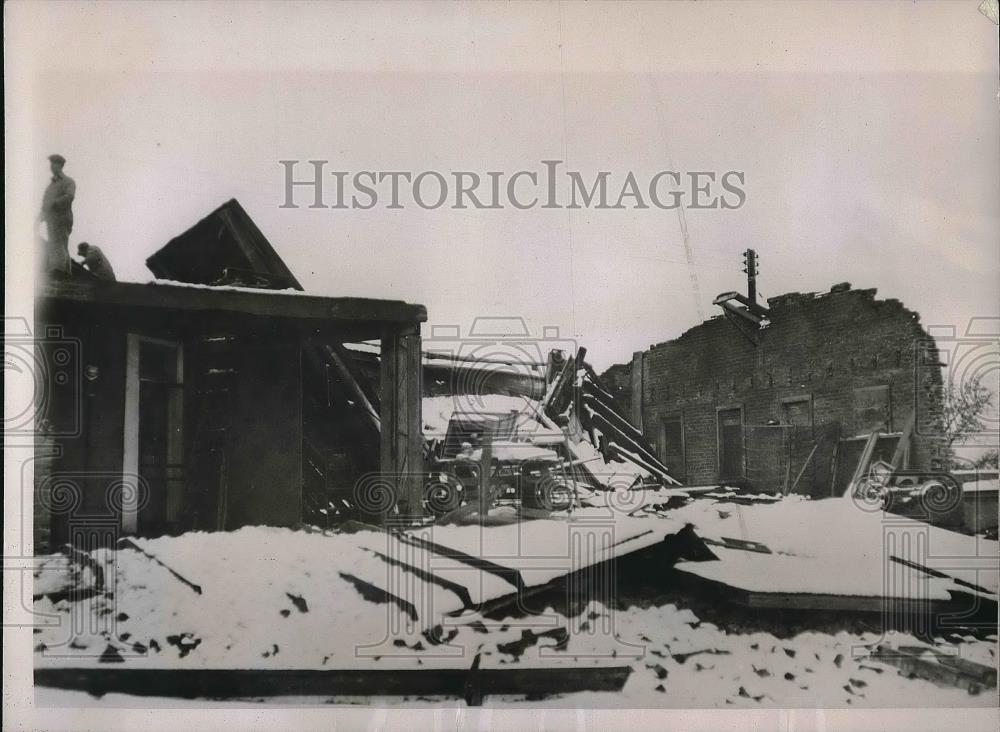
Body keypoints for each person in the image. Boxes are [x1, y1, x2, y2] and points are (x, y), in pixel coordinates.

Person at [37, 154, 76, 276]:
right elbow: (44, 205)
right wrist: (38, 219)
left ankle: (58, 272)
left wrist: (54, 203)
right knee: (55, 244)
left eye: (55, 163)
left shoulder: (68, 181)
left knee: (59, 244)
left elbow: (69, 196)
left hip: (62, 218)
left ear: (60, 165)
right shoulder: (50, 187)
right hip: (51, 219)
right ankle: (64, 272)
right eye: (51, 164)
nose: (52, 166)